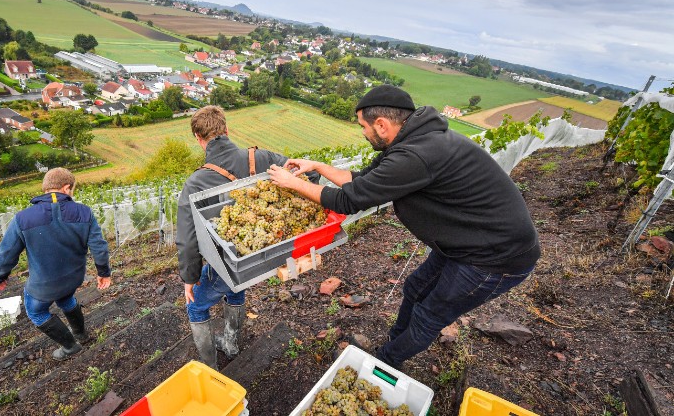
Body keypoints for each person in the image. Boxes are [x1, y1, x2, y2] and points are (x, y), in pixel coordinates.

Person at [267, 85, 540, 369]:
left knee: (429, 316)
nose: (362, 132)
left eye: (363, 126)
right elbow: (361, 182)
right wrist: (319, 167)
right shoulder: (412, 141)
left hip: (497, 255)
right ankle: (397, 341)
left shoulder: (416, 155)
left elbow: (349, 200)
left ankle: (384, 363)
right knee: (415, 288)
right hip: (468, 241)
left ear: (382, 125)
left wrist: (293, 184)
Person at [177, 105, 316, 369]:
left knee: (196, 307)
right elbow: (305, 173)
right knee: (237, 287)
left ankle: (210, 368)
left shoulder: (195, 182)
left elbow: (187, 237)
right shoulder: (262, 157)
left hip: (227, 262)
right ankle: (230, 342)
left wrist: (190, 278)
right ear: (226, 130)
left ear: (198, 138)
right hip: (262, 258)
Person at [0, 167, 111, 360]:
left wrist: (0, 276)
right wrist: (103, 272)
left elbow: (6, 252)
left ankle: (70, 346)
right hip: (73, 278)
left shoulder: (23, 218)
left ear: (46, 188)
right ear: (66, 188)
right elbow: (99, 246)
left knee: (36, 311)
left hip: (43, 285)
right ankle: (81, 334)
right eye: (72, 190)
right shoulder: (84, 213)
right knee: (66, 299)